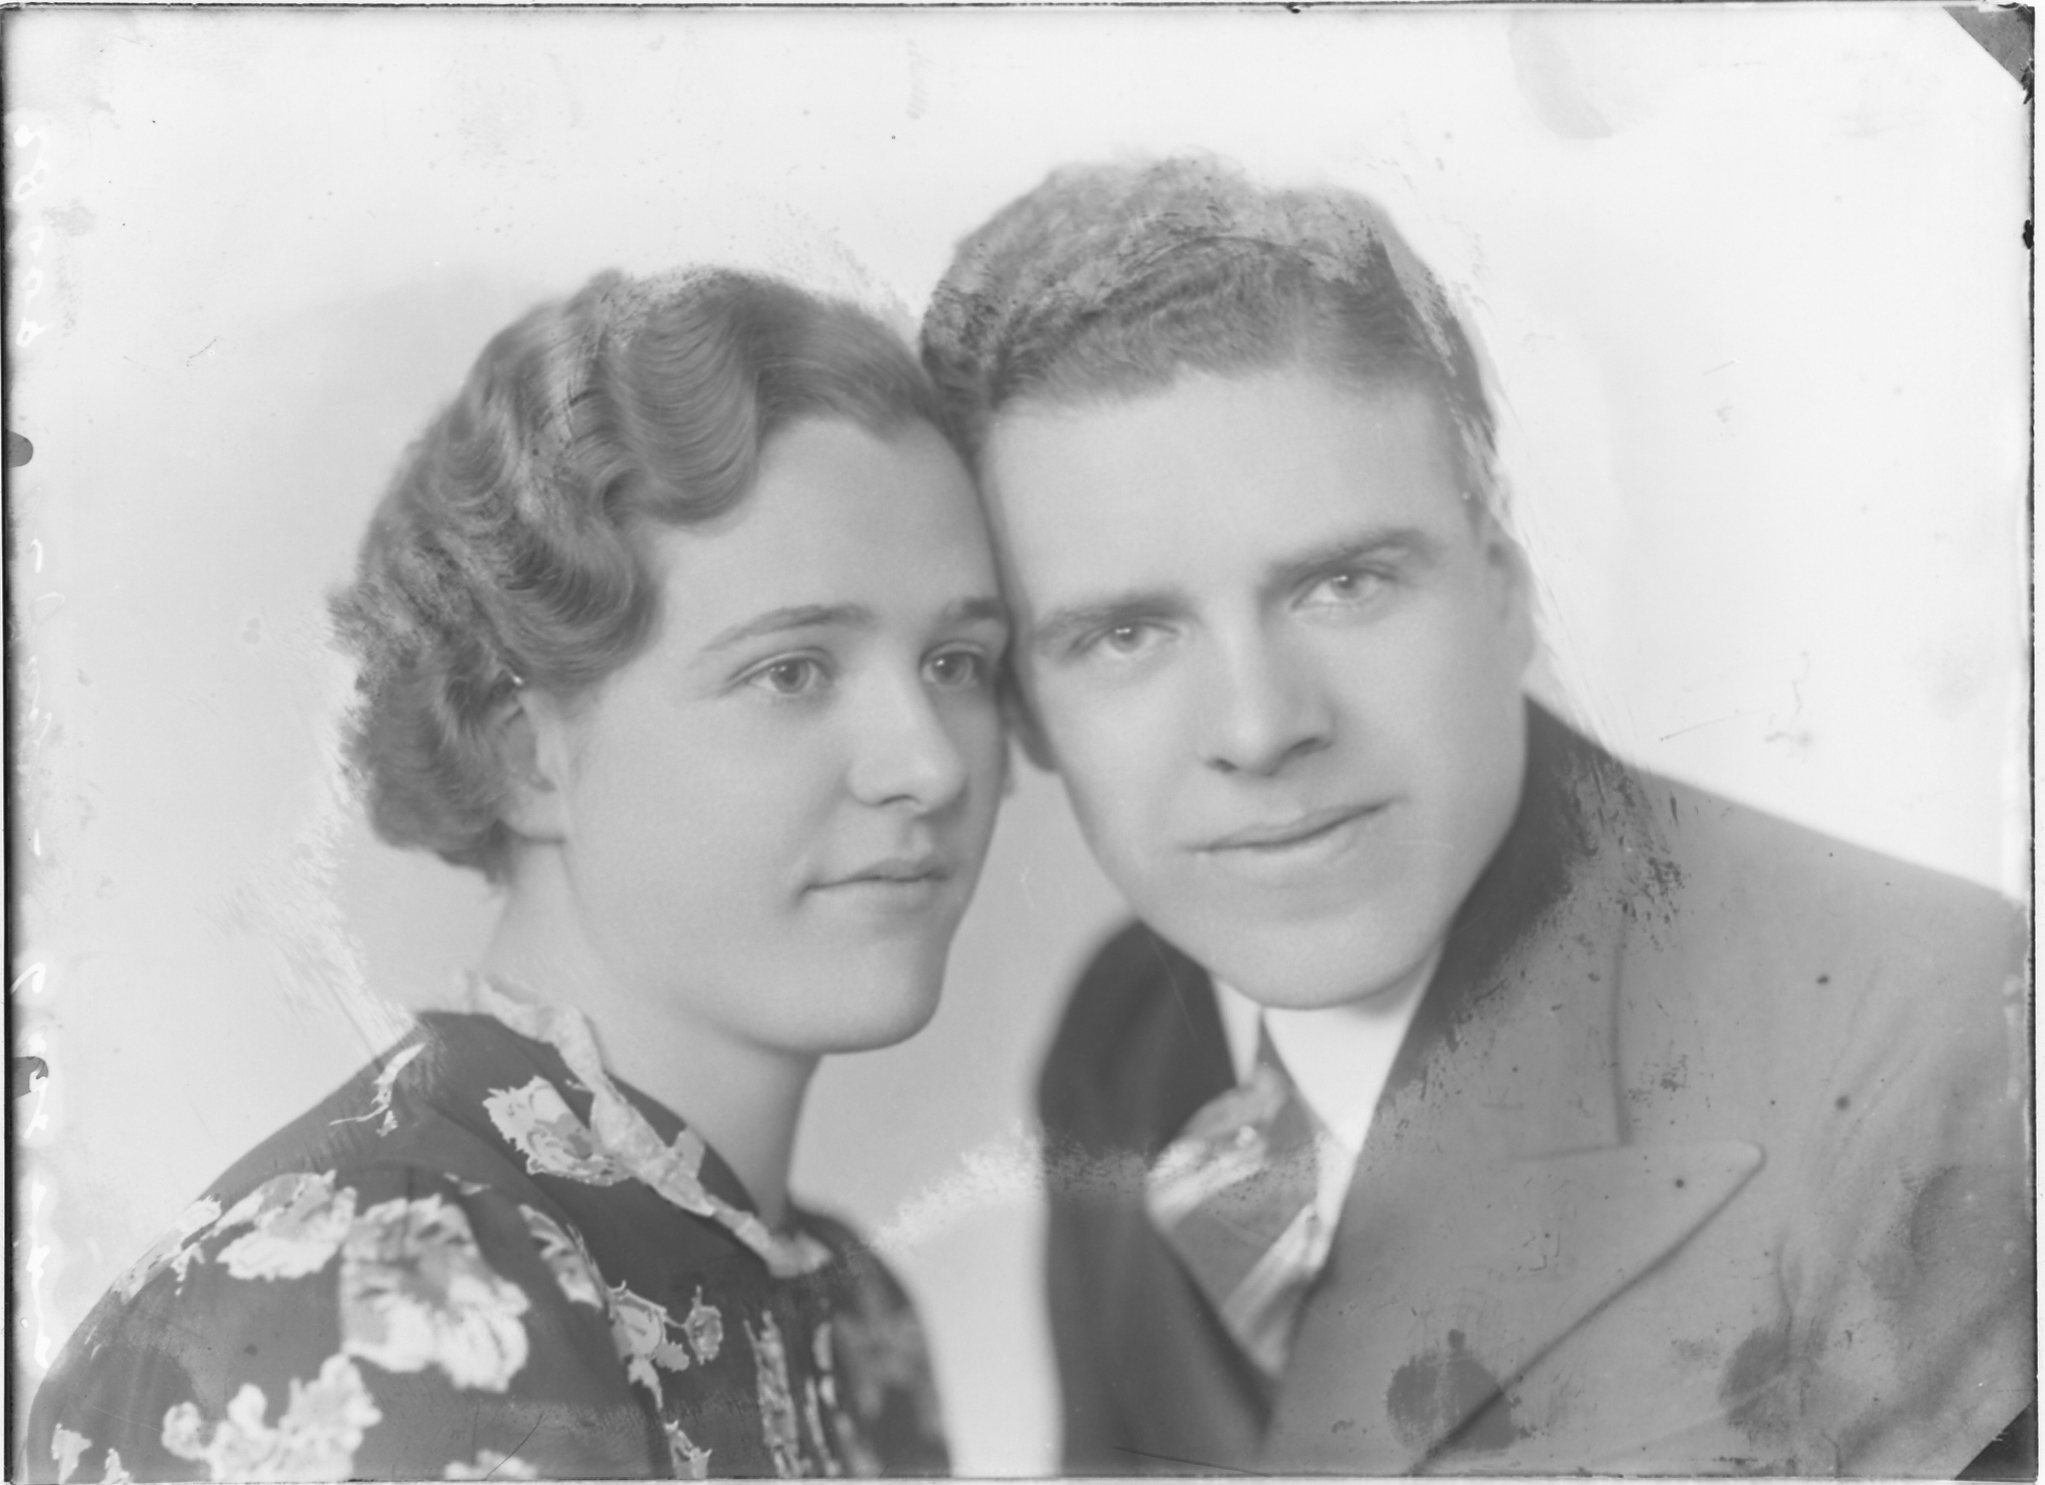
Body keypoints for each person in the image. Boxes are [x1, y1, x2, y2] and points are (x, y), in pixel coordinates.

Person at [920, 156, 2031, 1476]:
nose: (1261, 727)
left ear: (1504, 585)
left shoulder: (1931, 1041)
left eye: (1343, 584)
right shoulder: (1119, 1037)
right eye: (1124, 635)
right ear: (1024, 710)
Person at [25, 268, 1011, 1481]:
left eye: (958, 662)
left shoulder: (846, 1315)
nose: (930, 765)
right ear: (525, 756)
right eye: (792, 671)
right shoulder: (387, 1284)